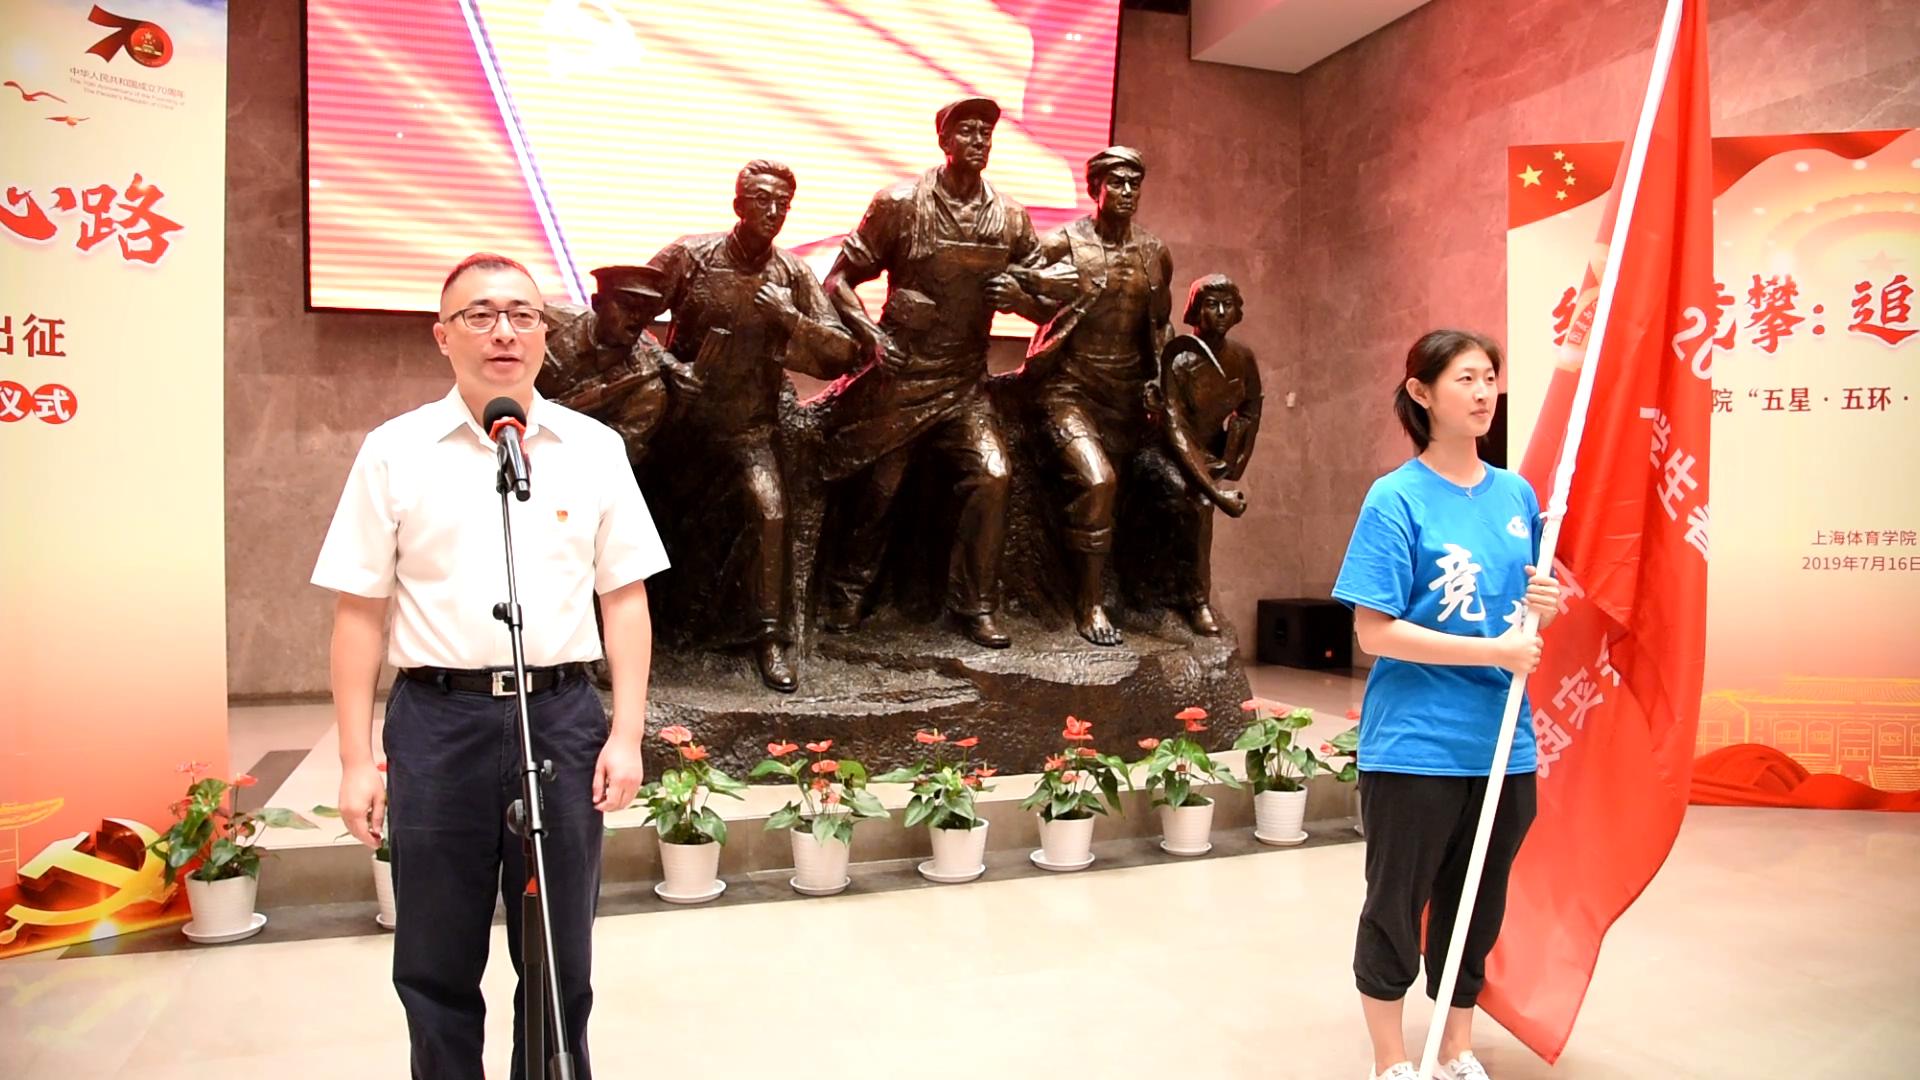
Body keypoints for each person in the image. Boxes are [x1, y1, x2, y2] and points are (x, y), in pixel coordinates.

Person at [313, 253, 669, 1080]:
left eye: (522, 314)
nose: (503, 331)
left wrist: (625, 735)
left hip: (561, 717)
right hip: (440, 723)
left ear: (546, 335)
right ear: (443, 336)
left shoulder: (593, 449)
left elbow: (624, 599)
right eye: (479, 315)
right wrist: (355, 760)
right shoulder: (395, 451)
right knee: (434, 960)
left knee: (559, 960)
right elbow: (358, 612)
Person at [1330, 329, 1561, 1080]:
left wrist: (1541, 606)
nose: (1484, 392)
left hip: (1502, 743)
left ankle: (1457, 1044)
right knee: (1396, 905)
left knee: (1476, 905)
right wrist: (1493, 652)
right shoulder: (1395, 498)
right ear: (1421, 393)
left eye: (1490, 376)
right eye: (1466, 378)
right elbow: (1373, 631)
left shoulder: (1517, 495)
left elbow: (1514, 616)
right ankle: (1392, 1058)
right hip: (1416, 744)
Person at [814, 96, 1038, 649]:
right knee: (881, 486)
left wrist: (1019, 297)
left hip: (965, 386)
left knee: (993, 475)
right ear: (944, 140)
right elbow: (836, 281)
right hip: (903, 379)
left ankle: (974, 605)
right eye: (968, 130)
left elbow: (1047, 296)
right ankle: (847, 591)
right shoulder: (900, 204)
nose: (979, 140)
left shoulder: (1010, 218)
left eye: (986, 131)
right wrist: (873, 336)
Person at [639, 159, 856, 691]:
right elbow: (624, 315)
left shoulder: (791, 275)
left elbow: (840, 354)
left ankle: (770, 639)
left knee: (770, 512)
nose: (774, 210)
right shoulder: (690, 256)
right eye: (762, 199)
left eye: (783, 202)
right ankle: (626, 634)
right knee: (636, 519)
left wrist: (791, 318)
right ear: (738, 204)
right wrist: (667, 366)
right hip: (678, 424)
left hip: (749, 430)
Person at [1012, 145, 1173, 645]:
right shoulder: (1063, 243)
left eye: (1134, 184)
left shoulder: (1154, 252)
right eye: (1116, 182)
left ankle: (1165, 600)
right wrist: (1030, 296)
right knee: (1098, 482)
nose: (1126, 192)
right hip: (1069, 390)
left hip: (1127, 399)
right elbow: (1020, 286)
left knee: (1143, 496)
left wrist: (1160, 381)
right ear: (1094, 188)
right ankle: (1089, 606)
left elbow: (1160, 323)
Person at [1139, 273, 1263, 635]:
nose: (1221, 313)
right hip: (1164, 454)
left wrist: (1234, 458)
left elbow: (1251, 408)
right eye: (1211, 304)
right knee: (1199, 504)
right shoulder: (1178, 360)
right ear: (1195, 310)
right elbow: (1175, 431)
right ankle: (1196, 601)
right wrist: (1217, 494)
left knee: (1199, 501)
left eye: (1228, 305)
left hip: (1209, 454)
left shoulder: (1242, 358)